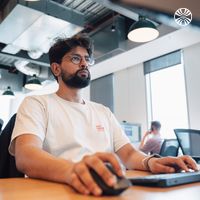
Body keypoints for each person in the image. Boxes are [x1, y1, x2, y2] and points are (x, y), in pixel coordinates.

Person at [9, 34, 198, 196]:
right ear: (56, 68)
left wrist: (152, 162)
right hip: (57, 190)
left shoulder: (103, 111)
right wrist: (73, 170)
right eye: (75, 58)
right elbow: (26, 156)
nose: (84, 63)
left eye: (86, 59)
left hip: (103, 189)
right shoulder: (37, 103)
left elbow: (128, 154)